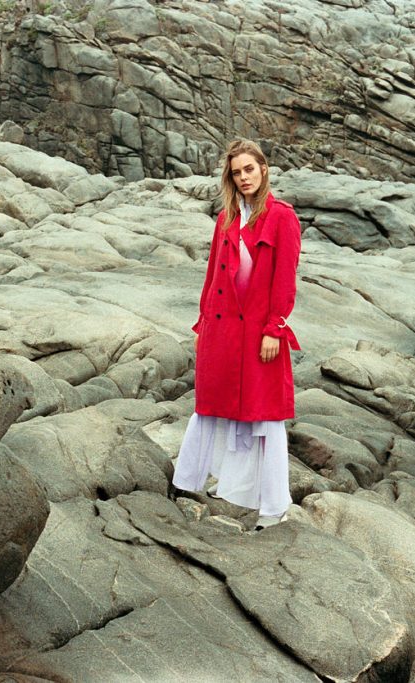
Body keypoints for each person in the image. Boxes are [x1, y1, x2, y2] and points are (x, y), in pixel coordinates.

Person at [172, 139, 302, 530]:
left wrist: (274, 328)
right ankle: (188, 484)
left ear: (264, 169)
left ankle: (273, 507)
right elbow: (213, 275)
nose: (243, 177)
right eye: (236, 172)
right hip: (222, 329)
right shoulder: (226, 218)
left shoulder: (282, 217)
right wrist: (202, 324)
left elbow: (285, 279)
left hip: (260, 332)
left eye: (249, 169)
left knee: (265, 415)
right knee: (209, 406)